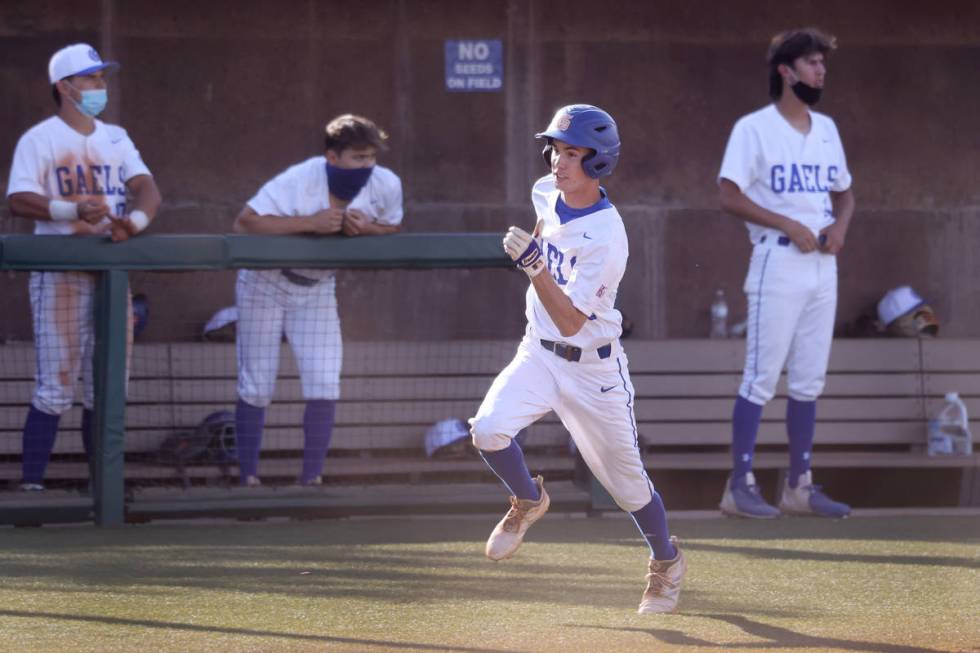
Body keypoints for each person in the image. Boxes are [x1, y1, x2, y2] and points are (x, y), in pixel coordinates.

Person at [469, 104, 686, 614]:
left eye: (572, 153)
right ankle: (528, 499)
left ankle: (667, 561)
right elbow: (548, 278)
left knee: (627, 486)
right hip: (538, 354)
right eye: (555, 149)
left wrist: (533, 267)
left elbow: (573, 322)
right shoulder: (546, 192)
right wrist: (538, 263)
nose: (558, 162)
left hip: (593, 369)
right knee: (487, 429)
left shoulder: (610, 237)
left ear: (599, 163)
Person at [6, 43, 161, 491]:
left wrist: (130, 223)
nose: (100, 85)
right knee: (55, 387)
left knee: (108, 387)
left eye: (101, 77)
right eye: (90, 78)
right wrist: (68, 209)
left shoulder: (116, 136)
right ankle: (32, 488)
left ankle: (103, 487)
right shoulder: (40, 138)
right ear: (64, 86)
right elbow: (18, 198)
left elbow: (149, 191)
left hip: (111, 274)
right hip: (62, 274)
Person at [717, 28, 855, 518]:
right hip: (776, 257)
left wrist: (840, 226)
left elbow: (845, 192)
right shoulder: (754, 128)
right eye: (813, 63)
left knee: (809, 380)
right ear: (786, 71)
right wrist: (786, 223)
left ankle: (799, 485)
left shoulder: (827, 129)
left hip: (822, 263)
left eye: (823, 64)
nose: (821, 72)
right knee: (760, 377)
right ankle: (740, 485)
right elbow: (728, 194)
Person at [232, 114, 403, 486]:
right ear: (332, 157)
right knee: (257, 384)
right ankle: (248, 480)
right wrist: (308, 223)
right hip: (266, 282)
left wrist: (365, 229)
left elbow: (392, 226)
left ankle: (311, 480)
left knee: (325, 381)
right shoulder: (301, 177)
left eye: (371, 156)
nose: (366, 165)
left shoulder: (386, 182)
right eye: (357, 157)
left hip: (316, 287)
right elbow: (245, 223)